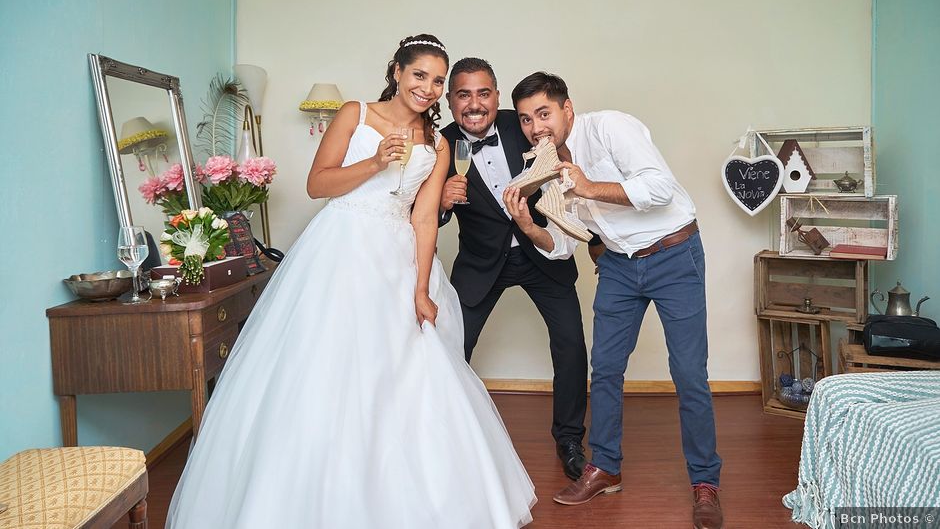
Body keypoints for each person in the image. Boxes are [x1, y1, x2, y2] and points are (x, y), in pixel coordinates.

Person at [166, 35, 536, 529]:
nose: (428, 89)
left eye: (437, 82)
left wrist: (421, 289)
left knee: (405, 372)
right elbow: (317, 185)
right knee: (325, 368)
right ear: (398, 71)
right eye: (420, 75)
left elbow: (425, 219)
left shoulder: (439, 143)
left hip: (397, 258)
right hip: (338, 251)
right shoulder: (354, 113)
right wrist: (376, 162)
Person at [504, 72, 724, 529]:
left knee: (688, 373)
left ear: (567, 109)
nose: (535, 127)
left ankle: (705, 483)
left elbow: (659, 188)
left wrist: (587, 187)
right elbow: (567, 244)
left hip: (673, 253)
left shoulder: (611, 128)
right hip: (620, 266)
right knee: (604, 369)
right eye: (526, 120)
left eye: (544, 113)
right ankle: (605, 467)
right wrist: (527, 225)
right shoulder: (543, 168)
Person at [438, 58, 589, 480]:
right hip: (482, 263)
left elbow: (565, 157)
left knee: (571, 347)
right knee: (449, 347)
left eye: (483, 93)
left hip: (542, 251)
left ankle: (570, 438)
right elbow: (422, 217)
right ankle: (447, 435)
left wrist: (594, 237)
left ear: (497, 96)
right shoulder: (440, 146)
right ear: (451, 101)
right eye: (463, 94)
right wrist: (444, 205)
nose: (474, 103)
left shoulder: (521, 122)